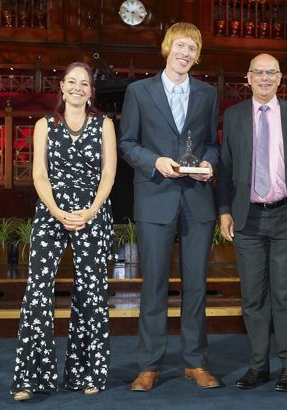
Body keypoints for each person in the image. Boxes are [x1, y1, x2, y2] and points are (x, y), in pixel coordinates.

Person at [119, 22, 221, 391]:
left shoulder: (208, 93)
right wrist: (154, 162)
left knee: (196, 286)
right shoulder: (138, 91)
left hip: (197, 199)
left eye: (192, 48)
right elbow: (127, 143)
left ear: (197, 55)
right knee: (154, 286)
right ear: (167, 48)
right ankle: (149, 366)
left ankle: (196, 362)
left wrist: (210, 163)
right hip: (155, 197)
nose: (185, 53)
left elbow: (213, 144)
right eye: (180, 46)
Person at [11, 62, 117, 400]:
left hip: (92, 212)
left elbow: (109, 174)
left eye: (84, 83)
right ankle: (31, 378)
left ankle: (87, 373)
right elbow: (39, 175)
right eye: (72, 82)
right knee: (38, 291)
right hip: (50, 211)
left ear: (91, 91)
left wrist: (92, 210)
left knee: (91, 292)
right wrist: (57, 211)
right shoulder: (44, 125)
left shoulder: (104, 124)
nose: (77, 88)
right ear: (61, 87)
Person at [217, 53, 287, 392]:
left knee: (285, 294)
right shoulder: (234, 115)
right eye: (258, 72)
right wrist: (224, 210)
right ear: (248, 78)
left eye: (271, 72)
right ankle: (258, 366)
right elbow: (225, 168)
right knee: (252, 297)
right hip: (247, 218)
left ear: (280, 78)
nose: (265, 78)